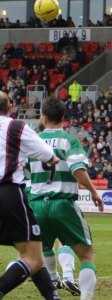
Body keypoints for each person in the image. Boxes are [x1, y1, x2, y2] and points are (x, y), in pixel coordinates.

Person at [28, 98, 103, 300]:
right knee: (86, 255)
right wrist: (94, 192)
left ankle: (53, 286)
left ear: (43, 116)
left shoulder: (33, 139)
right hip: (62, 202)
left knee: (44, 247)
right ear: (63, 117)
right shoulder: (69, 140)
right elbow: (78, 170)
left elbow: (25, 173)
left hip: (36, 204)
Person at [0, 91, 60, 299]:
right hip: (8, 192)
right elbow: (46, 153)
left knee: (33, 256)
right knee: (32, 258)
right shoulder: (16, 126)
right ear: (10, 107)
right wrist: (52, 159)